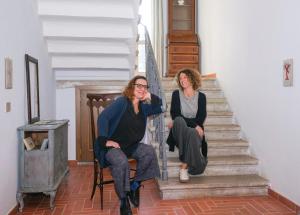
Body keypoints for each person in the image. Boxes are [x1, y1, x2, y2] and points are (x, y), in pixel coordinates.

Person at [94, 75, 162, 215]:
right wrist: (105, 140)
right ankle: (124, 199)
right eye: (139, 86)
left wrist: (149, 95)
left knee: (148, 152)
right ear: (132, 87)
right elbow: (103, 117)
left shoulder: (143, 107)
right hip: (113, 146)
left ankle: (134, 186)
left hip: (131, 146)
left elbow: (161, 106)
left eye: (145, 87)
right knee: (121, 161)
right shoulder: (122, 102)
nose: (142, 89)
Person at [167, 68, 208, 182]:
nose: (182, 80)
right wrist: (194, 125)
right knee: (179, 120)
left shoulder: (201, 97)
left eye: (185, 77)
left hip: (193, 133)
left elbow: (201, 117)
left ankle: (184, 167)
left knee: (192, 133)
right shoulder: (176, 94)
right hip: (180, 131)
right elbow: (175, 114)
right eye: (180, 78)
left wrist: (194, 126)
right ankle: (192, 162)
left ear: (192, 78)